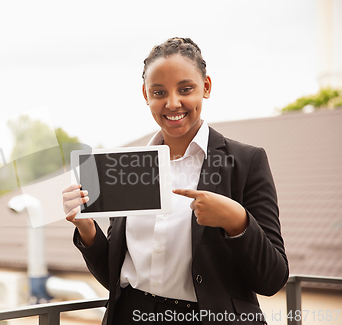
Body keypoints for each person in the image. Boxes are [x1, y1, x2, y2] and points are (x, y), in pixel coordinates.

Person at [62, 37, 288, 325]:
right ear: (145, 94)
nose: (172, 103)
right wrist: (86, 229)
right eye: (159, 92)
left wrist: (236, 220)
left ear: (206, 87)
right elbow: (113, 277)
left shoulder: (246, 162)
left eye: (185, 89)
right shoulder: (125, 166)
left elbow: (273, 279)